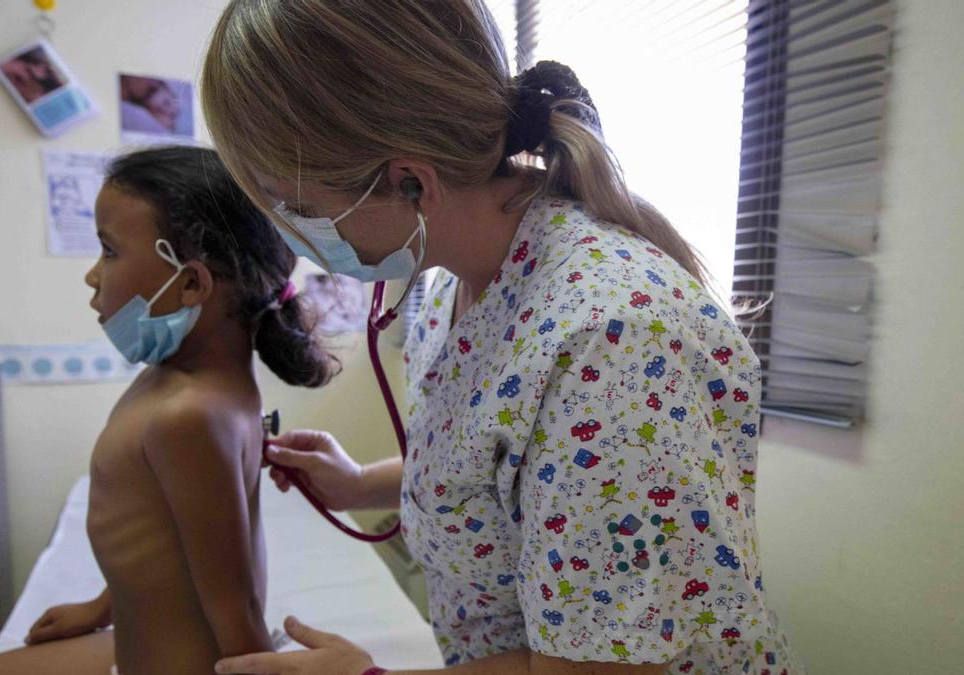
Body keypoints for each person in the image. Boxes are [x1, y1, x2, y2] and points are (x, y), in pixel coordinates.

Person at [201, 1, 804, 674]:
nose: (295, 235)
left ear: (409, 181)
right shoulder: (451, 281)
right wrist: (358, 482)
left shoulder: (610, 340)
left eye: (300, 208)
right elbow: (513, 463)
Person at [0, 145, 337, 675]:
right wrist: (101, 607)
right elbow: (167, 543)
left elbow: (236, 606)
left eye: (109, 251)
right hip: (138, 646)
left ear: (190, 283)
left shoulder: (188, 415)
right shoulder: (179, 382)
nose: (92, 276)